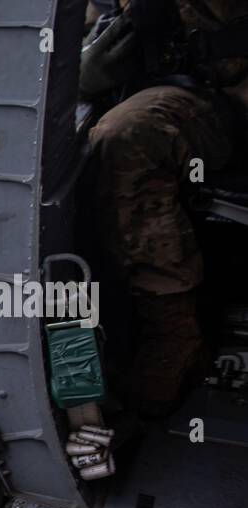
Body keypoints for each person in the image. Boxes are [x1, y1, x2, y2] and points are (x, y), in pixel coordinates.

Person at [82, 0, 248, 415]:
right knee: (126, 135)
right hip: (197, 100)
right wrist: (103, 50)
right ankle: (175, 340)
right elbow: (82, 53)